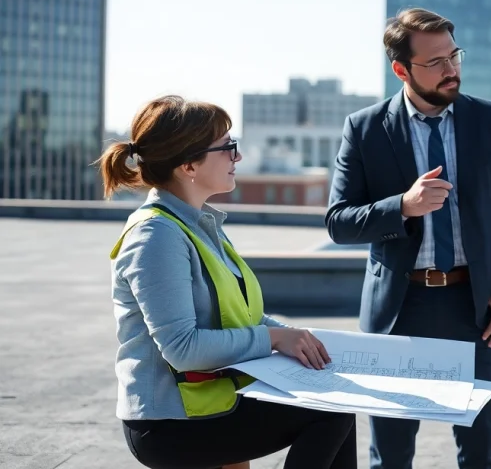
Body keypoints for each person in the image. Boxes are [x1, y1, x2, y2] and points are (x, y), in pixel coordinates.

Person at [325, 7, 491, 469]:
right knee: (391, 457)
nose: (452, 70)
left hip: (478, 308)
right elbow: (339, 221)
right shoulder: (364, 130)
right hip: (398, 312)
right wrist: (402, 205)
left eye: (454, 56)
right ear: (401, 69)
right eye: (436, 62)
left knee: (483, 454)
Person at [98, 95, 358, 469]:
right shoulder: (156, 236)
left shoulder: (200, 225)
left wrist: (294, 336)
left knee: (336, 401)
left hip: (213, 395)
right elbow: (182, 349)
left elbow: (239, 314)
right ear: (189, 164)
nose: (237, 157)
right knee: (330, 413)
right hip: (168, 422)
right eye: (227, 148)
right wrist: (274, 339)